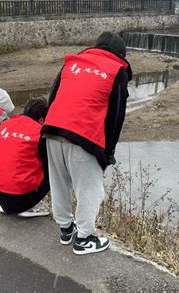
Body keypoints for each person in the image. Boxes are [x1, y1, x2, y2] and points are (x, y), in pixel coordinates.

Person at [41, 32, 132, 255]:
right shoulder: (116, 71)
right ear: (120, 54)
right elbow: (115, 118)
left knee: (59, 183)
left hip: (52, 130)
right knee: (91, 189)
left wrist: (47, 128)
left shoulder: (72, 63)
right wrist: (107, 153)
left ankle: (65, 230)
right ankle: (84, 238)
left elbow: (53, 98)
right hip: (84, 134)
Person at [0, 97, 50, 218]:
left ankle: (7, 203)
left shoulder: (6, 124)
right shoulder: (39, 132)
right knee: (53, 169)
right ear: (41, 120)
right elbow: (49, 164)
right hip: (18, 196)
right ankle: (28, 206)